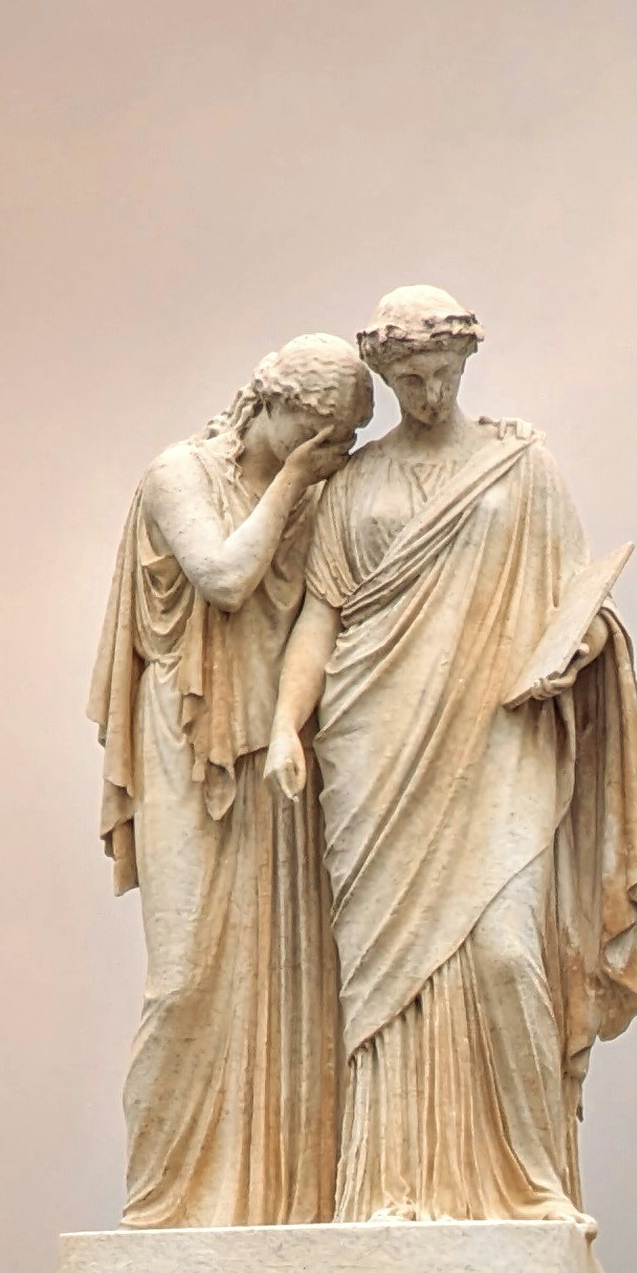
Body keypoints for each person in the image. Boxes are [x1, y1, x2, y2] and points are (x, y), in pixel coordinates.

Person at [265, 287, 637, 1222]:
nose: (428, 390)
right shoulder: (354, 484)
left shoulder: (521, 469)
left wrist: (581, 650)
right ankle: (390, 1190)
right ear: (385, 376)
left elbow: (579, 599)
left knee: (503, 954)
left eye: (440, 373)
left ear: (466, 364)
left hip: (497, 739)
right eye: (408, 378)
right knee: (383, 983)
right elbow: (320, 615)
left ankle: (530, 1184)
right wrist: (287, 724)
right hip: (373, 746)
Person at [88, 333, 373, 1223]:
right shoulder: (179, 473)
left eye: (340, 443)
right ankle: (162, 1206)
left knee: (285, 983)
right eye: (315, 433)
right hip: (187, 734)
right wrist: (294, 484)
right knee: (184, 979)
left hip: (278, 755)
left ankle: (273, 1205)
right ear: (269, 403)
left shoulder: (320, 498)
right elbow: (222, 577)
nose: (325, 457)